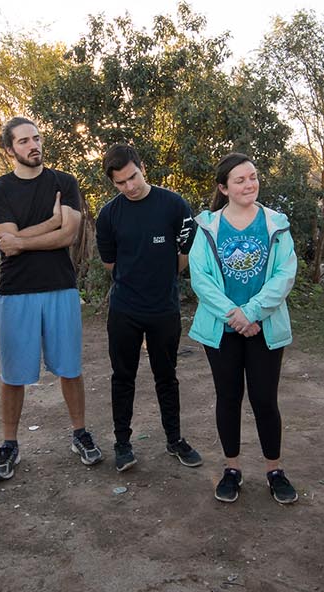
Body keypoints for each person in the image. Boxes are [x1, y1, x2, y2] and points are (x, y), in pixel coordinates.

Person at [0, 117, 101, 478]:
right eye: (23, 141)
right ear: (9, 149)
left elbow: (68, 235)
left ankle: (80, 433)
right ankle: (9, 444)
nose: (33, 145)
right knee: (13, 374)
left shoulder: (63, 182)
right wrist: (48, 225)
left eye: (36, 138)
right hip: (16, 291)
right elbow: (7, 243)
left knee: (70, 367)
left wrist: (23, 239)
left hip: (60, 287)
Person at [186, 152, 299, 503]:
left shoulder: (275, 224)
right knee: (229, 398)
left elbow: (285, 274)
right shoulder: (208, 227)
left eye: (253, 177)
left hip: (264, 327)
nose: (249, 184)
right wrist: (234, 315)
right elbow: (200, 278)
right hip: (222, 329)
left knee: (265, 399)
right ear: (224, 187)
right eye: (240, 180)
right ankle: (232, 469)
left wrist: (251, 313)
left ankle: (274, 470)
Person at [94, 143, 203, 472]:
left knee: (166, 376)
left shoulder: (174, 205)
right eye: (120, 183)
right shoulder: (109, 214)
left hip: (164, 308)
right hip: (125, 309)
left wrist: (160, 279)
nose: (129, 186)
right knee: (122, 377)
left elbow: (184, 255)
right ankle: (123, 444)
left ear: (143, 167)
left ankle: (175, 439)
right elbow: (110, 263)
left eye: (133, 177)